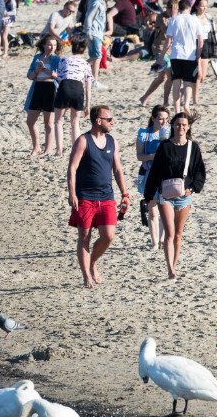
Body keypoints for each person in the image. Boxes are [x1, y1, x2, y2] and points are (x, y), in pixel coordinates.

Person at [67, 106, 129, 289]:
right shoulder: (83, 141)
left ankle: (92, 263)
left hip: (107, 196)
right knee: (84, 236)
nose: (112, 122)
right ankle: (86, 275)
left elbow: (117, 169)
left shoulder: (112, 142)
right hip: (85, 196)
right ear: (98, 120)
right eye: (109, 119)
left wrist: (124, 193)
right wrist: (72, 194)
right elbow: (72, 168)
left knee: (108, 236)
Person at [142, 112, 206, 279]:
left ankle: (174, 265)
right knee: (169, 233)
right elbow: (155, 172)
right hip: (166, 195)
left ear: (188, 127)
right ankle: (170, 269)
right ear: (173, 126)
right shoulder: (165, 146)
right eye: (178, 124)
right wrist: (150, 197)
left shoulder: (194, 147)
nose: (181, 127)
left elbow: (200, 172)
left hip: (185, 197)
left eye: (184, 125)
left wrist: (192, 189)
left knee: (178, 234)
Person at [135, 105, 171, 251]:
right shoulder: (144, 133)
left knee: (165, 208)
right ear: (153, 118)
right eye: (160, 119)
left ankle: (162, 240)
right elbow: (139, 156)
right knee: (152, 209)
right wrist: (154, 157)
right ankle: (154, 242)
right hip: (149, 174)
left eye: (166, 119)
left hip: (167, 175)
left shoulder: (171, 133)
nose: (163, 122)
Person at [54, 38, 94, 153]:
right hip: (78, 89)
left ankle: (59, 150)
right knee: (75, 122)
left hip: (65, 86)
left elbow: (59, 78)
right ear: (84, 50)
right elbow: (88, 88)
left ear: (72, 49)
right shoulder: (86, 64)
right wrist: (87, 106)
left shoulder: (64, 60)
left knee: (58, 121)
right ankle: (76, 150)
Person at [163, 0, 201, 113]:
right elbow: (201, 41)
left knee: (176, 83)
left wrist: (161, 56)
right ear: (189, 8)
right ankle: (186, 105)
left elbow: (168, 40)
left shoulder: (174, 20)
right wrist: (197, 56)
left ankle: (177, 109)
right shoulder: (195, 20)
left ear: (179, 9)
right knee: (188, 82)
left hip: (176, 54)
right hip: (190, 55)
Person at [25, 34, 61, 156]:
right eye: (50, 44)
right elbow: (29, 76)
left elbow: (60, 77)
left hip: (51, 88)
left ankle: (48, 150)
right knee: (30, 121)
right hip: (37, 88)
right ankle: (36, 147)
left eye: (55, 45)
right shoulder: (37, 58)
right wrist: (37, 70)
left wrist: (47, 71)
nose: (52, 47)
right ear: (44, 45)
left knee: (48, 123)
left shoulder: (57, 59)